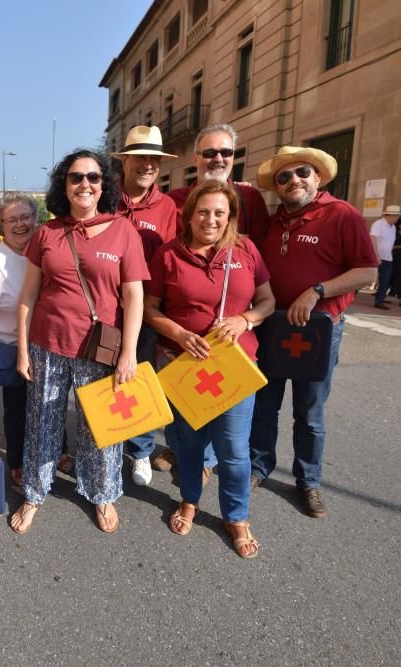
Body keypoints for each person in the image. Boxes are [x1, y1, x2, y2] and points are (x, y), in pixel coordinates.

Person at [11, 149, 148, 535]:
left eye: (93, 177)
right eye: (75, 177)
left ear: (104, 184)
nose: (84, 184)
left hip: (100, 349)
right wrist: (22, 349)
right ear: (64, 185)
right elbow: (28, 296)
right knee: (42, 423)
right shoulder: (48, 233)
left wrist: (129, 354)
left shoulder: (123, 230)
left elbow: (134, 296)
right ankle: (35, 492)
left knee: (101, 426)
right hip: (47, 344)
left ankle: (101, 492)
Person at [144, 180, 275, 558]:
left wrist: (245, 321)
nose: (211, 219)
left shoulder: (246, 250)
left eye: (220, 212)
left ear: (231, 216)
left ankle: (237, 516)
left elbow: (267, 300)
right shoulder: (169, 255)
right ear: (190, 215)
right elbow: (151, 310)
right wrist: (180, 334)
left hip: (236, 368)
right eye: (203, 211)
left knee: (233, 449)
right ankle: (189, 499)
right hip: (183, 366)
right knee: (189, 443)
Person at [249, 146, 378, 518]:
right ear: (276, 187)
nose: (294, 181)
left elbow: (367, 271)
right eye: (284, 177)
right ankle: (259, 469)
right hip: (273, 328)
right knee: (264, 405)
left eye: (302, 173)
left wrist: (318, 290)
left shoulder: (341, 214)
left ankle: (308, 482)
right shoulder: (273, 223)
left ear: (317, 177)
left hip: (318, 331)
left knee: (309, 412)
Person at [159, 123, 271, 475]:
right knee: (180, 398)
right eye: (210, 152)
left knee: (220, 404)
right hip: (180, 316)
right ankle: (183, 452)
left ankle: (205, 461)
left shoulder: (250, 199)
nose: (218, 158)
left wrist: (248, 317)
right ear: (196, 158)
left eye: (225, 152)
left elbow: (259, 259)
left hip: (232, 329)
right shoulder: (174, 199)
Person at [111, 126, 179, 487]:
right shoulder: (105, 197)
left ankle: (139, 451)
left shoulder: (168, 207)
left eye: (154, 159)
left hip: (146, 312)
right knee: (102, 379)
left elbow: (173, 258)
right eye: (141, 157)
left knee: (139, 380)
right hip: (104, 309)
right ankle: (103, 442)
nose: (148, 165)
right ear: (124, 161)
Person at [0, 193, 39, 488]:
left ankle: (60, 449)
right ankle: (18, 461)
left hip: (45, 343)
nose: (20, 224)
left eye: (25, 217)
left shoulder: (45, 250)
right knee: (19, 407)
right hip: (9, 346)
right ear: (2, 222)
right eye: (12, 219)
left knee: (50, 402)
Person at [370, 205, 401, 310]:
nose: (397, 218)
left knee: (385, 280)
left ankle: (379, 300)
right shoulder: (378, 224)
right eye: (396, 216)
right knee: (367, 278)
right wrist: (376, 255)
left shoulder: (393, 227)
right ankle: (351, 294)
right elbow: (372, 239)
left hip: (387, 258)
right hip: (376, 257)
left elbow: (391, 242)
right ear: (390, 215)